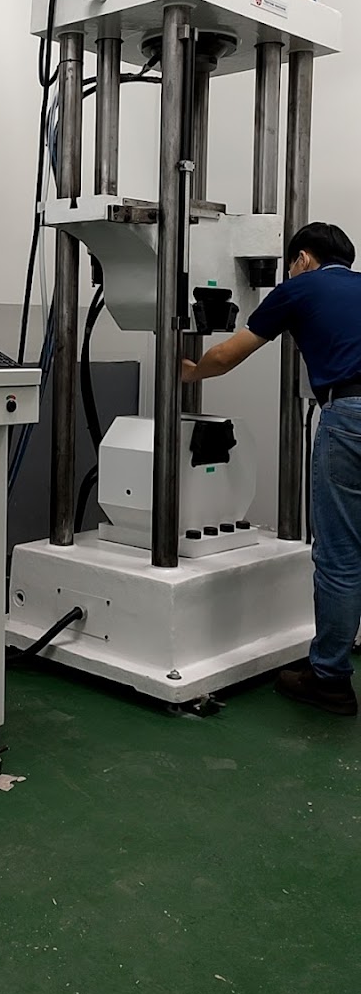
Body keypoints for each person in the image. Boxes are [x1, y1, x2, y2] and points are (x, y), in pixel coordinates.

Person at [181, 221, 361, 717]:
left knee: (341, 556)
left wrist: (192, 372)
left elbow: (227, 354)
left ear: (302, 258)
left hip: (350, 417)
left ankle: (330, 680)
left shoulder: (300, 288)